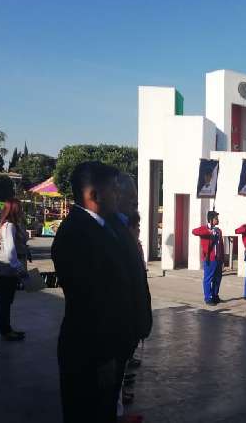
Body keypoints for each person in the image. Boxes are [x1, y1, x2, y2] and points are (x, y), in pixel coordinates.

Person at [52, 161, 128, 423]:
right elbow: (92, 298)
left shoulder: (103, 227)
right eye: (114, 190)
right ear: (93, 195)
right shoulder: (76, 233)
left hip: (104, 346)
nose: (119, 195)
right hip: (90, 350)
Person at [111, 174, 153, 415]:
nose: (133, 206)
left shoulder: (127, 239)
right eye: (132, 201)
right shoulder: (112, 235)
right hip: (116, 326)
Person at [0, 198, 28, 342]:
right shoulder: (9, 227)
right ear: (13, 209)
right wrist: (20, 269)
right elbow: (10, 251)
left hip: (10, 267)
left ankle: (7, 329)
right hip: (8, 268)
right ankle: (6, 331)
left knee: (7, 300)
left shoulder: (13, 225)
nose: (21, 211)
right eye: (19, 208)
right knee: (6, 300)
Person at [192, 211, 225, 305]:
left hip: (218, 258)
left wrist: (222, 259)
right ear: (211, 220)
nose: (217, 220)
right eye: (216, 218)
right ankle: (208, 297)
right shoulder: (205, 229)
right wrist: (208, 231)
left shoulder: (218, 230)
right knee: (208, 278)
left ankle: (215, 295)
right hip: (210, 258)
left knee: (218, 278)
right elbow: (194, 231)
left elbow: (221, 245)